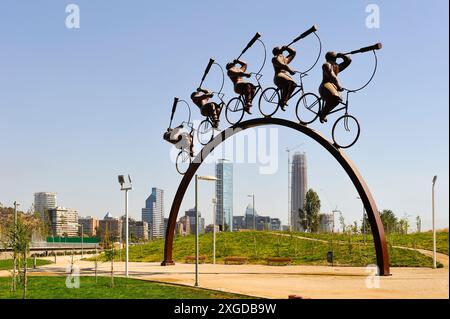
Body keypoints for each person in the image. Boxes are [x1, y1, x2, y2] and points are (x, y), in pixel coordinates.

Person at [318, 51, 352, 123]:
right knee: (335, 96)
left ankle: (324, 113)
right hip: (325, 86)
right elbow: (332, 76)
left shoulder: (336, 67)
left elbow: (348, 61)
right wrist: (338, 86)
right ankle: (323, 114)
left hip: (333, 86)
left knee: (338, 100)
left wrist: (342, 55)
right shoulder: (326, 65)